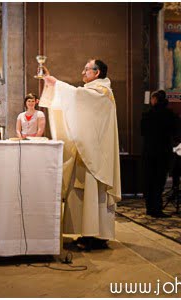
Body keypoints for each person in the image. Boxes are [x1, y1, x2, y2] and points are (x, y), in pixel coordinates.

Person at [40, 59, 121, 250]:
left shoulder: (102, 92)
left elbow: (77, 96)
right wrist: (54, 85)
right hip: (89, 152)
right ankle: (88, 233)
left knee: (95, 193)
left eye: (86, 69)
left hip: (97, 155)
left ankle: (97, 236)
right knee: (85, 194)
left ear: (97, 72)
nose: (82, 72)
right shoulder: (94, 90)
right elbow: (76, 100)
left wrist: (55, 83)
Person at [140, 90, 176, 218]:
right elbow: (175, 131)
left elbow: (142, 131)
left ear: (154, 99)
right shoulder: (169, 114)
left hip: (149, 152)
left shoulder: (148, 114)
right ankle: (157, 208)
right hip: (163, 152)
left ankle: (150, 208)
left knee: (149, 180)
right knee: (159, 182)